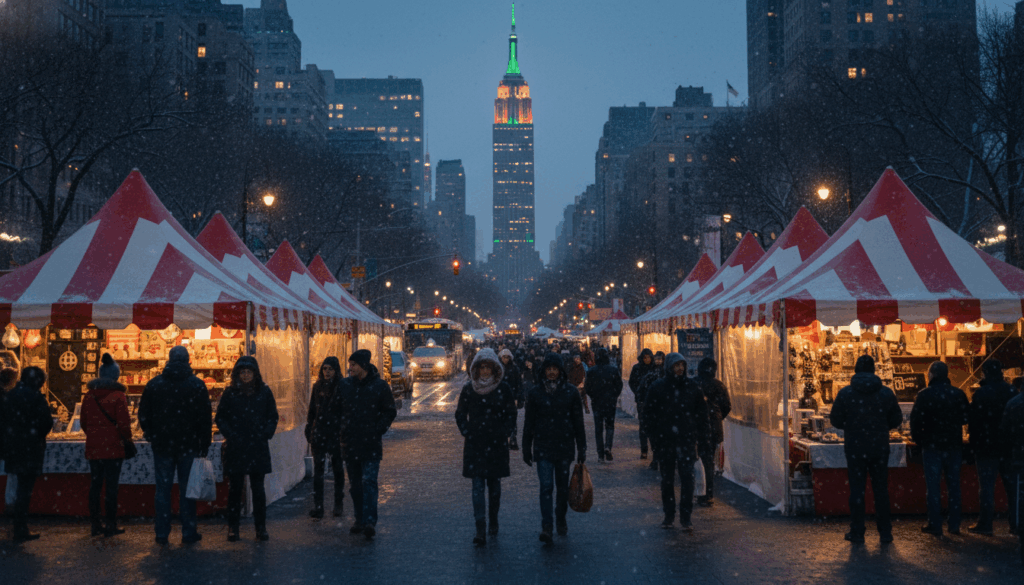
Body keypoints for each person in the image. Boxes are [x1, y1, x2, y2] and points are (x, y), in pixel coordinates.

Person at [139, 345, 212, 545]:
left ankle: (162, 532)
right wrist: (204, 442)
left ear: (169, 360)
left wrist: (152, 433)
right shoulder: (197, 385)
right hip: (188, 445)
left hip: (162, 445)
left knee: (163, 489)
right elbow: (205, 418)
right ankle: (188, 530)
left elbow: (143, 415)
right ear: (188, 360)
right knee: (188, 489)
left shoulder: (155, 384)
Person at [829, 355, 903, 544]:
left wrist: (852, 424)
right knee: (881, 490)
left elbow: (835, 420)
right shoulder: (886, 393)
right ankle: (885, 532)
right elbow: (896, 420)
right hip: (879, 447)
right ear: (874, 370)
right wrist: (880, 425)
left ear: (855, 370)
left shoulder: (846, 393)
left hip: (855, 447)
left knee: (857, 490)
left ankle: (857, 531)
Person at [522, 353, 586, 544]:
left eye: (554, 369)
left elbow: (578, 423)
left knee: (562, 488)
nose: (551, 372)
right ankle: (547, 526)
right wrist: (526, 447)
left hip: (564, 447)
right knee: (546, 487)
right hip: (543, 447)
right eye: (548, 369)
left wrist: (582, 448)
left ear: (560, 371)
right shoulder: (535, 393)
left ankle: (560, 518)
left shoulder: (571, 392)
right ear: (544, 371)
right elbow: (529, 423)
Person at [456, 349, 516, 546]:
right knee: (477, 487)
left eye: (488, 367)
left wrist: (505, 432)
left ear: (494, 368)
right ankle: (480, 527)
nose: (484, 371)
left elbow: (511, 413)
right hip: (476, 444)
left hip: (496, 444)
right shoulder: (468, 389)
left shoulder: (503, 388)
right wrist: (466, 430)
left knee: (495, 488)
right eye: (482, 367)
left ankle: (493, 519)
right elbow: (460, 413)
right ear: (476, 368)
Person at [215, 356, 279, 542]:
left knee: (258, 489)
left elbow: (272, 416)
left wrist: (265, 433)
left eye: (248, 372)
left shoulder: (264, 392)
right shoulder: (230, 393)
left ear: (255, 373)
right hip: (237, 446)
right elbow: (221, 418)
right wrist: (230, 434)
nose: (245, 375)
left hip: (257, 446)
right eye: (242, 372)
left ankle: (260, 528)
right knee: (235, 489)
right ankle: (233, 527)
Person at [644, 354, 709, 532]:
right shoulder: (658, 387)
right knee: (667, 480)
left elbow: (702, 415)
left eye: (682, 365)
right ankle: (669, 515)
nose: (680, 368)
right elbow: (649, 415)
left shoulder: (692, 387)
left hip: (686, 441)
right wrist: (654, 439)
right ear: (669, 367)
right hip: (665, 442)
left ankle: (686, 517)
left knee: (687, 479)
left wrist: (702, 438)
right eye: (676, 365)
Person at [338, 349, 397, 541]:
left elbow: (390, 411)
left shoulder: (379, 386)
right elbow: (335, 409)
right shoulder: (345, 385)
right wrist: (342, 429)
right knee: (355, 485)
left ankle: (370, 521)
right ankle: (359, 519)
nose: (350, 368)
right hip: (350, 442)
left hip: (370, 443)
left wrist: (377, 429)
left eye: (353, 364)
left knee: (368, 482)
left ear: (363, 365)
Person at [911, 360, 970, 536]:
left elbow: (915, 422)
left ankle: (935, 524)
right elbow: (966, 417)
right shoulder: (958, 394)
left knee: (933, 487)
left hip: (932, 446)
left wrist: (920, 440)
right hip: (953, 445)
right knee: (954, 486)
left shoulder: (924, 395)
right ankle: (954, 524)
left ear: (931, 375)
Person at [80, 354, 132, 537]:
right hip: (113, 449)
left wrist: (95, 436)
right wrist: (126, 438)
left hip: (94, 448)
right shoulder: (118, 396)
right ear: (116, 376)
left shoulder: (89, 396)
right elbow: (124, 425)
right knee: (111, 487)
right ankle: (111, 524)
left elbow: (84, 423)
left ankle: (95, 524)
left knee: (95, 486)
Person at [2, 367, 52, 542]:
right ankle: (20, 527)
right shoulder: (36, 398)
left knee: (17, 486)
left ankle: (16, 524)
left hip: (14, 448)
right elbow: (46, 423)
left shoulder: (10, 396)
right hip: (30, 449)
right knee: (24, 489)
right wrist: (35, 436)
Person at [968, 359, 1018, 536]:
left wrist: (973, 444)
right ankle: (1015, 523)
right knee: (1013, 489)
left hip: (986, 446)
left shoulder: (981, 393)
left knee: (987, 487)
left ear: (985, 373)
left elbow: (973, 421)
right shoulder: (1012, 391)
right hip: (1008, 447)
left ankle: (986, 523)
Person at [306, 357, 345, 519]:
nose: (327, 372)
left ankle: (338, 503)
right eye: (325, 369)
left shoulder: (342, 387)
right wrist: (310, 430)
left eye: (330, 369)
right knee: (319, 471)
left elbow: (345, 410)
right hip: (320, 432)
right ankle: (319, 506)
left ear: (336, 370)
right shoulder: (317, 387)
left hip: (335, 433)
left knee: (337, 470)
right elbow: (312, 411)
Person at [695, 357, 732, 507]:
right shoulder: (719, 385)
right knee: (708, 461)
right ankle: (708, 493)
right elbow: (727, 406)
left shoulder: (694, 383)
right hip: (713, 428)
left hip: (696, 426)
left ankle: (700, 492)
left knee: (696, 460)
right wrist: (717, 418)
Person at [583, 348, 623, 462]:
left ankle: (600, 455)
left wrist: (593, 396)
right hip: (610, 402)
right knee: (610, 426)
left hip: (597, 403)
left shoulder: (591, 371)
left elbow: (587, 387)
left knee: (598, 429)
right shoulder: (613, 370)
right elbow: (619, 385)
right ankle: (608, 446)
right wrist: (614, 396)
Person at [999, 385, 1024, 564]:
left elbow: (1005, 432)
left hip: (1018, 458)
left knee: (1019, 498)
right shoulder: (1013, 401)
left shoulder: (1014, 404)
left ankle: (1019, 531)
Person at [499, 349, 523, 450]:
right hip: (500, 398)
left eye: (507, 357)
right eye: (504, 357)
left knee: (512, 419)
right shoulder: (498, 368)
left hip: (512, 398)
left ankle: (512, 439)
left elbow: (519, 384)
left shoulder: (514, 368)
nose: (505, 359)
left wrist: (518, 397)